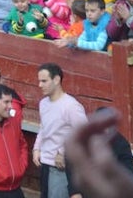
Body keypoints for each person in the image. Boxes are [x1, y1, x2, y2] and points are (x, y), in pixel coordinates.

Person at [34, 62, 87, 198]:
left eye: (44, 81)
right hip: (44, 163)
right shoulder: (43, 103)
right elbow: (43, 127)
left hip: (61, 167)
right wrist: (36, 149)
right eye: (39, 81)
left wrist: (64, 152)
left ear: (56, 80)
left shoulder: (71, 106)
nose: (40, 85)